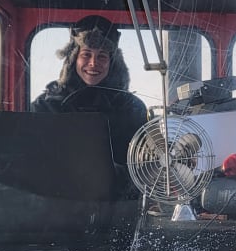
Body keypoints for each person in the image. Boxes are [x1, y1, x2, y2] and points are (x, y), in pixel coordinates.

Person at [32, 14, 149, 162]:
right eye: (86, 54)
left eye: (102, 56)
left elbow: (145, 162)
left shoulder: (132, 109)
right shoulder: (46, 106)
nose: (93, 63)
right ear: (73, 59)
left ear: (112, 63)